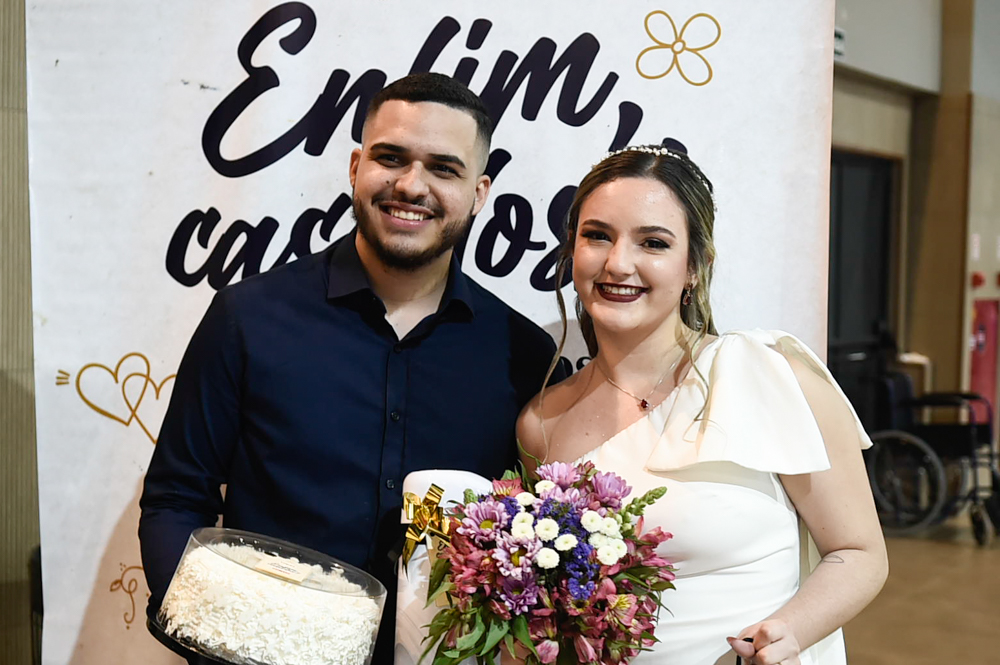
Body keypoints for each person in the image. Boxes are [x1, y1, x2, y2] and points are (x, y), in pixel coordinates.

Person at [139, 73, 560, 663]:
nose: (411, 185)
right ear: (357, 167)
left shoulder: (525, 355)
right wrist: (214, 643)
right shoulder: (248, 317)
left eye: (444, 168)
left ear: (479, 192)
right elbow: (177, 498)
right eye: (391, 158)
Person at [516, 144, 888, 665]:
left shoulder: (772, 374)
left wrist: (788, 632)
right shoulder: (541, 421)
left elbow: (859, 551)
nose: (618, 263)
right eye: (597, 236)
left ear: (695, 265)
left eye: (653, 243)